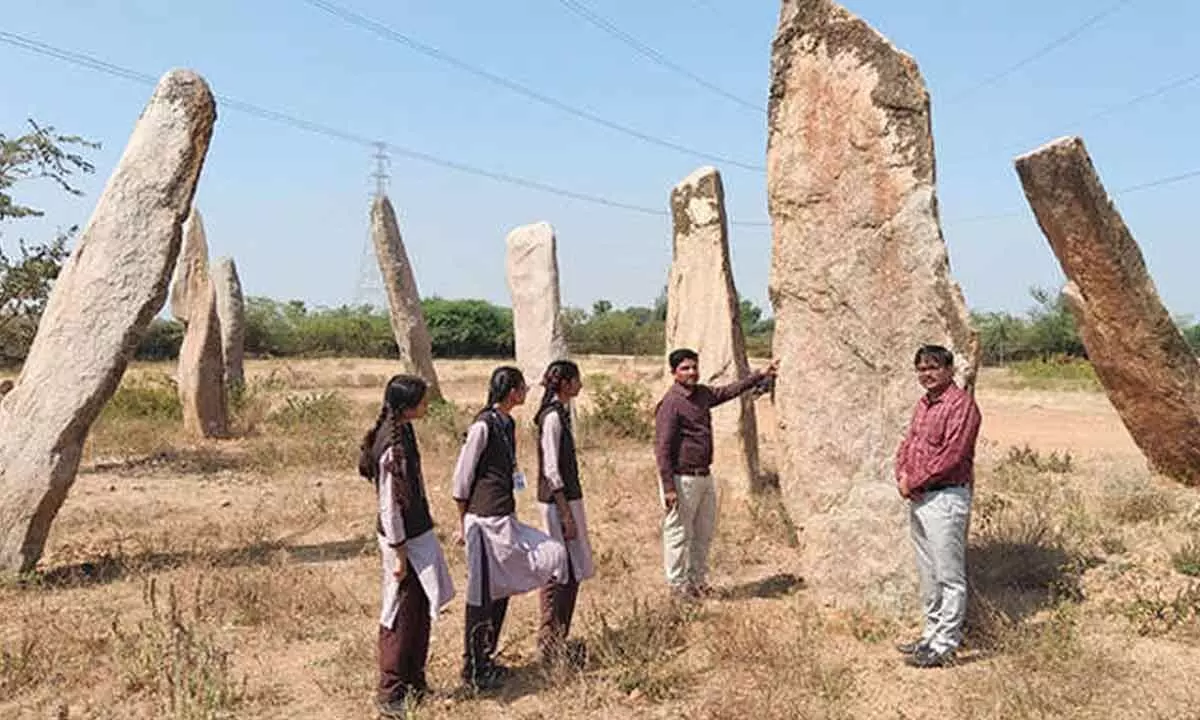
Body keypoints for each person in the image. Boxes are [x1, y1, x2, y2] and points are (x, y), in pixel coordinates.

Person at [451, 366, 569, 690]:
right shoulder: (483, 425)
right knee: (481, 593)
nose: (527, 392)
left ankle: (486, 658)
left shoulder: (506, 423)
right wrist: (463, 524)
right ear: (513, 391)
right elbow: (461, 480)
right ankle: (474, 666)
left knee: (515, 579)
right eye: (522, 387)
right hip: (485, 522)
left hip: (504, 517)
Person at [358, 375, 455, 717]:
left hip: (414, 538)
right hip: (404, 542)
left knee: (418, 609)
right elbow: (390, 505)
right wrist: (399, 552)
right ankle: (391, 692)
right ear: (408, 405)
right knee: (398, 614)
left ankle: (414, 680)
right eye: (423, 401)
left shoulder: (402, 432)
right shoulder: (392, 447)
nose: (427, 405)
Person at [654, 348, 778, 599]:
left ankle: (697, 583)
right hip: (682, 478)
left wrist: (759, 375)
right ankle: (677, 588)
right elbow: (663, 449)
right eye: (685, 368)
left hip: (704, 476)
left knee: (703, 532)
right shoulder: (671, 403)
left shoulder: (701, 394)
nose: (692, 372)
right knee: (678, 534)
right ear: (674, 372)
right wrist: (668, 487)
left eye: (694, 367)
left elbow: (728, 391)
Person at [894, 345, 982, 669]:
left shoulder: (962, 406)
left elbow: (953, 455)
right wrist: (901, 473)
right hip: (920, 498)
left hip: (945, 497)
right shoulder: (924, 404)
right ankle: (930, 635)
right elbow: (908, 443)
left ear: (948, 370)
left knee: (949, 575)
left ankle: (946, 644)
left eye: (932, 368)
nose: (926, 374)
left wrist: (913, 480)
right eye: (920, 369)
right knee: (928, 573)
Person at [534, 360, 594, 667]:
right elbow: (552, 470)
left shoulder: (561, 413)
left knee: (571, 569)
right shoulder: (553, 418)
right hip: (558, 503)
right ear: (566, 383)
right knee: (559, 570)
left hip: (566, 501)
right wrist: (565, 514)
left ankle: (558, 638)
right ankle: (549, 641)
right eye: (577, 379)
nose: (580, 385)